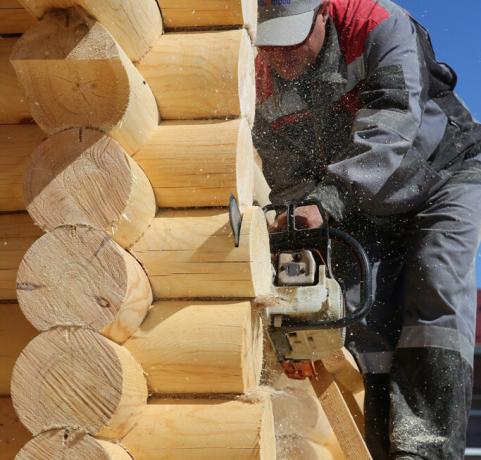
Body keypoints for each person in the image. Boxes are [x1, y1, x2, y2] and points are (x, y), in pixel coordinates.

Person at [253, 0, 481, 458]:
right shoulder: (259, 72)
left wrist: (327, 203)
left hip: (442, 176)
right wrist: (296, 230)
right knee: (356, 311)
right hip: (360, 202)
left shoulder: (378, 25)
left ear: (323, 13)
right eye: (271, 44)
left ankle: (428, 448)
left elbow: (393, 123)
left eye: (293, 40)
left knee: (434, 282)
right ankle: (378, 445)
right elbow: (285, 171)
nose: (283, 56)